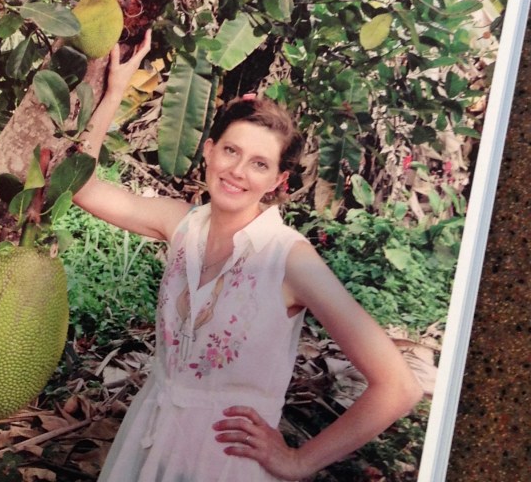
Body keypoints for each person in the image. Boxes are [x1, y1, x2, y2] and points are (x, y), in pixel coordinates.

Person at [73, 31, 422, 482]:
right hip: (149, 441)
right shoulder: (181, 224)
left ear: (279, 180)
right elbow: (81, 185)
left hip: (225, 463)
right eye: (231, 151)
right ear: (210, 151)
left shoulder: (290, 259)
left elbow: (398, 386)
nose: (238, 171)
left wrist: (299, 461)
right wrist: (115, 90)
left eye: (259, 163)